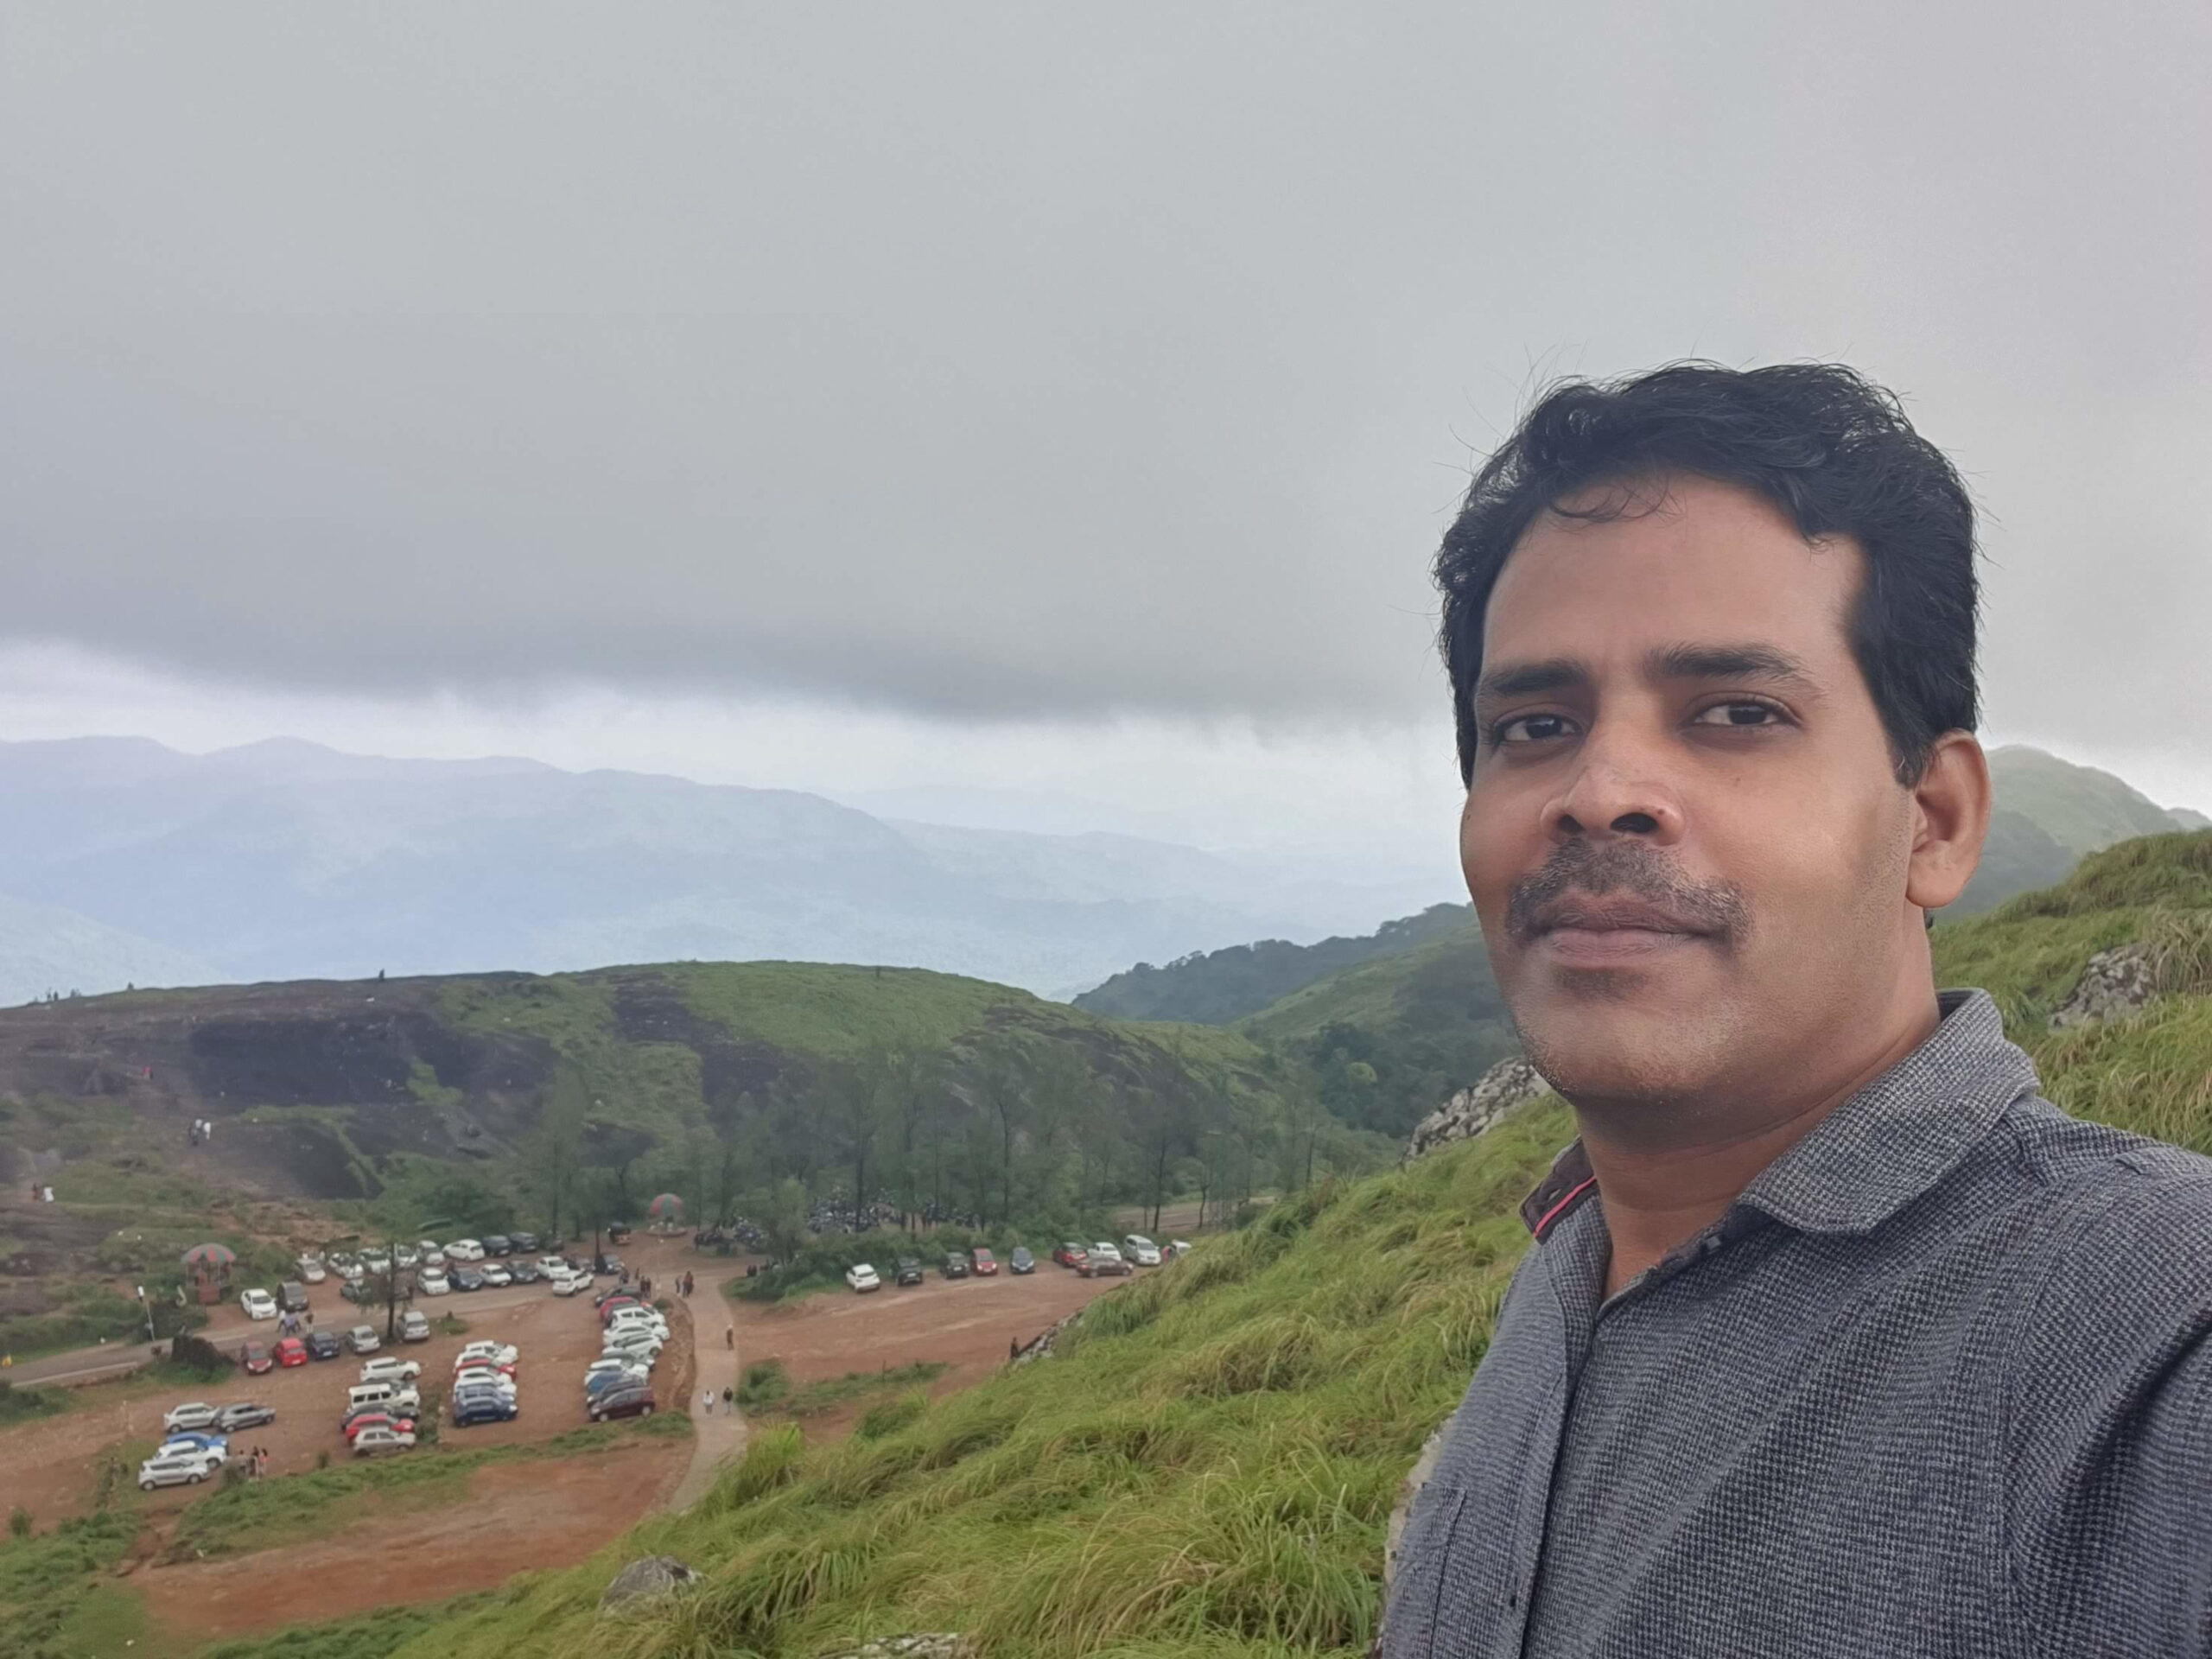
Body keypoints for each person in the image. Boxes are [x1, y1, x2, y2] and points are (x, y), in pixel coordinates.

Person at [1380, 362, 2212, 1659]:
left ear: (1934, 823)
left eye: (1737, 713)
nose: (1599, 790)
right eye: (1535, 725)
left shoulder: (2155, 1340)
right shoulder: (1566, 1271)